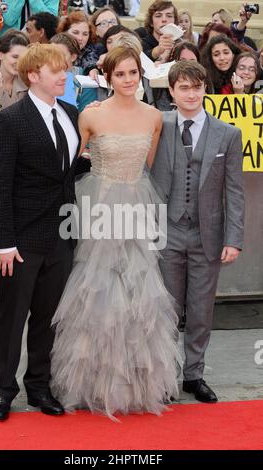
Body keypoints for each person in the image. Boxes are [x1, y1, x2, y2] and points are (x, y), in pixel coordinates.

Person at [50, 46, 180, 420]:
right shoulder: (90, 116)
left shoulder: (155, 117)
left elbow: (149, 164)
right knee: (95, 287)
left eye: (133, 73)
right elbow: (70, 161)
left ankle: (136, 384)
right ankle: (92, 382)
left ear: (141, 76)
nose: (127, 80)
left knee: (139, 288)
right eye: (119, 74)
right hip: (98, 207)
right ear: (107, 77)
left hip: (137, 205)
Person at [0, 43, 89, 421]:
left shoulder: (70, 112)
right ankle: (2, 391)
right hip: (20, 241)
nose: (64, 75)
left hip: (61, 236)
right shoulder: (10, 120)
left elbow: (60, 171)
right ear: (34, 75)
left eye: (65, 69)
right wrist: (4, 244)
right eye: (56, 70)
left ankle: (39, 387)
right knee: (12, 320)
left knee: (48, 318)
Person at [151, 61, 244, 403]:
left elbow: (234, 191)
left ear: (205, 88)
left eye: (197, 87)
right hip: (166, 231)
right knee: (167, 310)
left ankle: (194, 375)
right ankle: (165, 376)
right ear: (172, 92)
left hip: (209, 234)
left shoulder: (228, 134)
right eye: (184, 88)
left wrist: (233, 238)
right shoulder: (158, 125)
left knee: (201, 310)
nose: (191, 94)